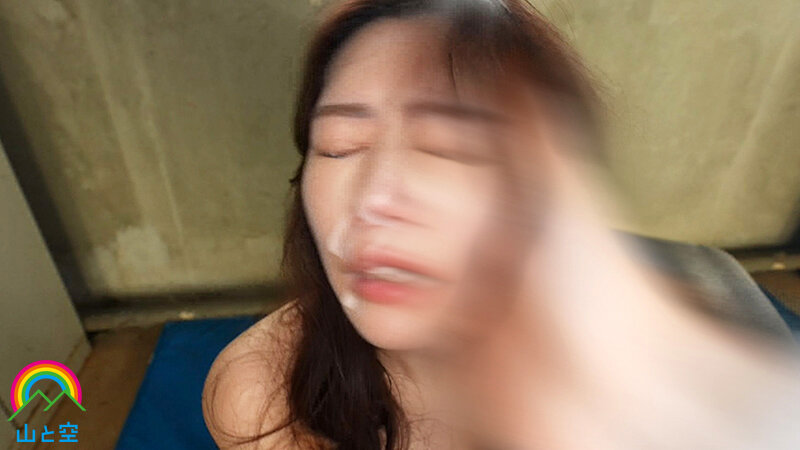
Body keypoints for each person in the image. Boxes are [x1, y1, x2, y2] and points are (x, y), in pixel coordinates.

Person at [202, 1, 800, 449]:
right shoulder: (262, 391)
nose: (374, 199)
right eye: (339, 145)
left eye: (449, 147)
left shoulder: (711, 365)